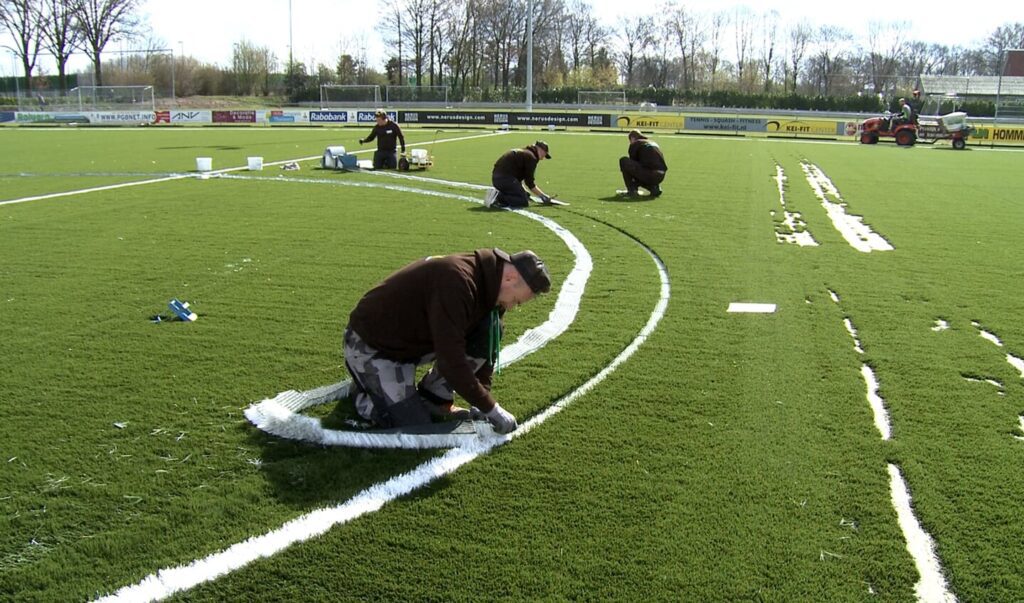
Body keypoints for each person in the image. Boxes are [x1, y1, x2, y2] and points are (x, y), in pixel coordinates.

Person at [342, 248, 551, 434]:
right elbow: (451, 359)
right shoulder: (457, 282)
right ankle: (364, 394)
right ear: (510, 278)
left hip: (412, 342)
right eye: (515, 300)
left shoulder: (491, 283)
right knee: (411, 425)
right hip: (375, 346)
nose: (512, 306)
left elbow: (487, 344)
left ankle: (435, 396)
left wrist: (482, 396)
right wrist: (491, 408)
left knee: (490, 327)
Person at [485, 141, 554, 208]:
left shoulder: (524, 152)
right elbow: (530, 183)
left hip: (498, 178)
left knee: (523, 195)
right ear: (540, 150)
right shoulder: (531, 157)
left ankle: (497, 195)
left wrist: (524, 192)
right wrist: (543, 196)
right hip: (505, 180)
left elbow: (517, 177)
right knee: (522, 201)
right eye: (544, 154)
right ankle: (497, 197)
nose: (542, 158)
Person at [618, 129, 668, 198]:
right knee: (642, 170)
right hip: (661, 175)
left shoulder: (636, 144)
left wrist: (632, 183)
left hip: (650, 174)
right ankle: (654, 188)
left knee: (624, 161)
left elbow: (632, 168)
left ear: (632, 138)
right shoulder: (652, 142)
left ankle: (632, 191)